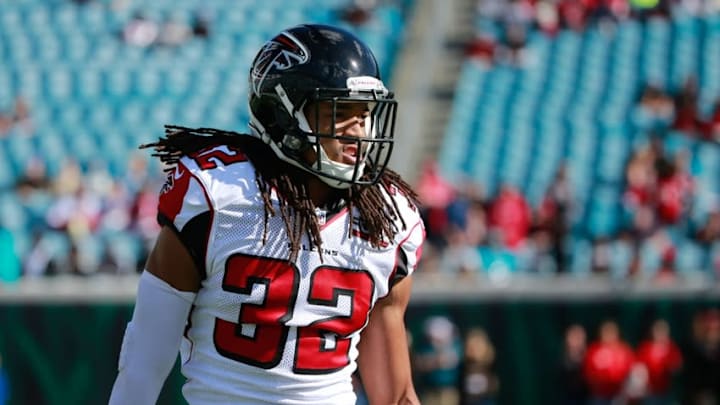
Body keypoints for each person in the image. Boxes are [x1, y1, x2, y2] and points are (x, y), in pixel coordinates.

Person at [108, 23, 425, 405]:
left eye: (365, 113)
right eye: (341, 112)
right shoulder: (219, 197)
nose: (360, 130)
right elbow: (144, 362)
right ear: (283, 114)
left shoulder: (389, 221)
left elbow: (395, 394)